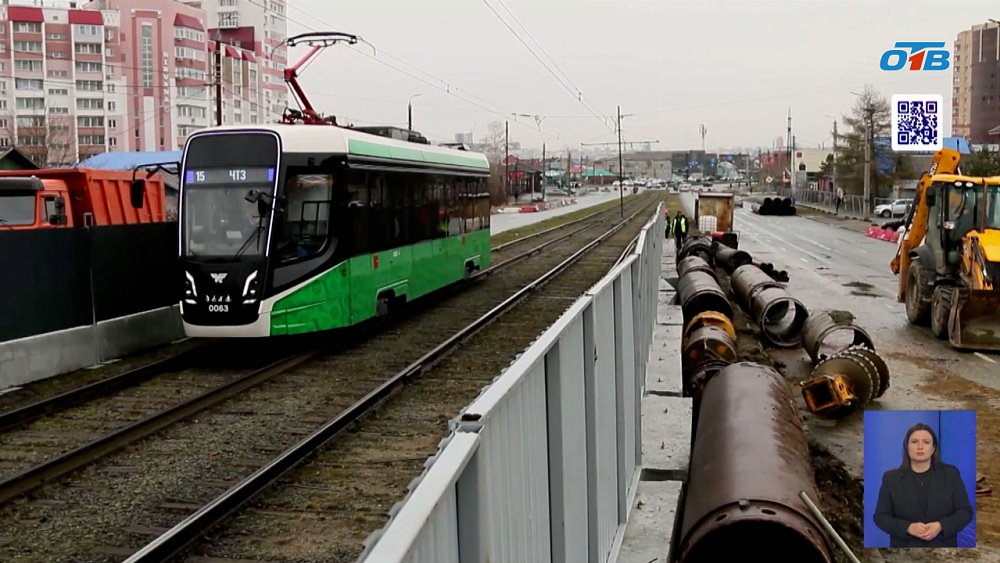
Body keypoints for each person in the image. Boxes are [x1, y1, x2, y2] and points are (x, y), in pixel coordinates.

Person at [873, 423, 973, 548]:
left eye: (926, 442)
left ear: (933, 448)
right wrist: (908, 527)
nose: (920, 446)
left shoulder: (950, 474)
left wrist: (941, 526)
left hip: (944, 549)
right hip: (905, 550)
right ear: (907, 447)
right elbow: (880, 517)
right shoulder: (891, 478)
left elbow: (965, 512)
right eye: (914, 442)